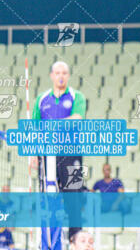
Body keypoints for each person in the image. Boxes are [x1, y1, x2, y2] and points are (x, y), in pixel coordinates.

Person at [32, 61, 86, 243]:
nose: (61, 76)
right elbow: (35, 128)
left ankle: (75, 237)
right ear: (51, 75)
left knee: (74, 195)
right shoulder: (41, 99)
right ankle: (48, 239)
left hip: (71, 152)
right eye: (57, 73)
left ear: (68, 76)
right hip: (47, 154)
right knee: (48, 196)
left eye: (64, 73)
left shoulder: (77, 96)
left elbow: (77, 118)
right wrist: (33, 153)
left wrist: (54, 125)